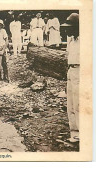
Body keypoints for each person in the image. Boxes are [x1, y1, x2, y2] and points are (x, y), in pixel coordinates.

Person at [61, 13, 79, 143]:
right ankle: (74, 132)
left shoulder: (86, 41)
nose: (67, 30)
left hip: (80, 71)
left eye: (69, 27)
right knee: (71, 103)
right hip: (71, 71)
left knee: (79, 103)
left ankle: (83, 132)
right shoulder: (71, 41)